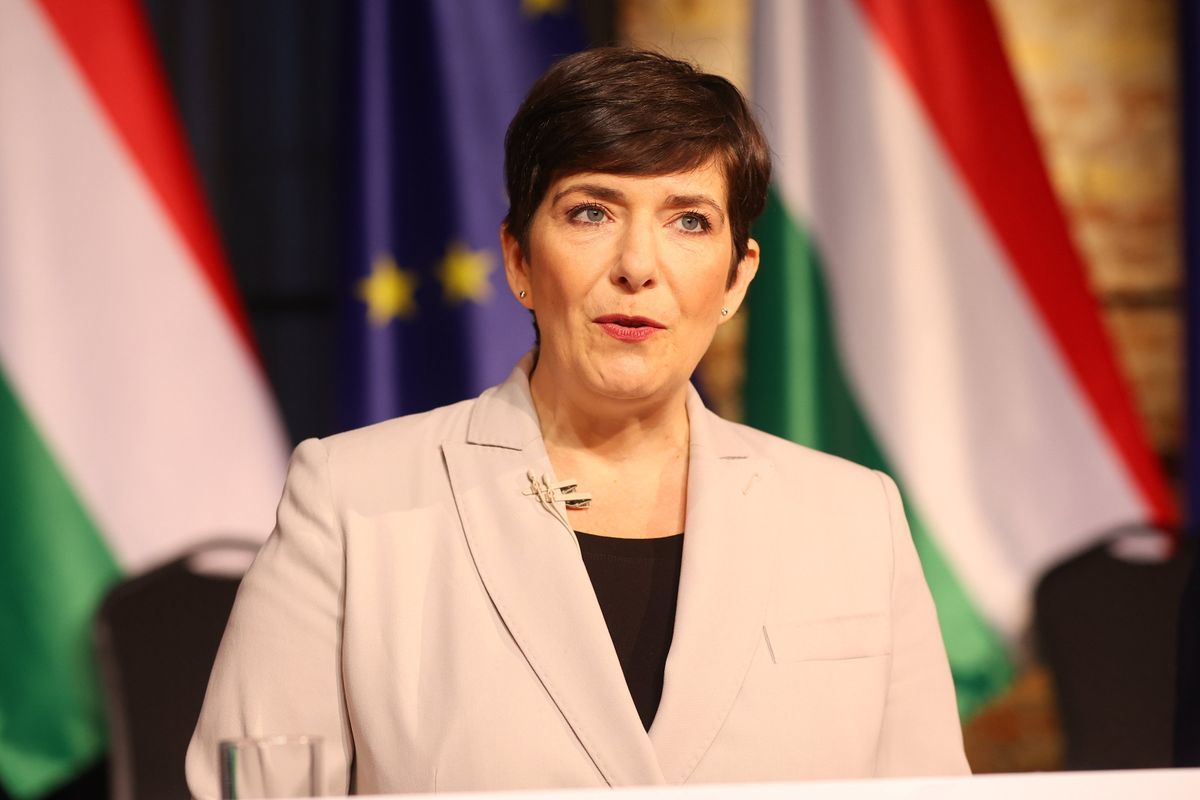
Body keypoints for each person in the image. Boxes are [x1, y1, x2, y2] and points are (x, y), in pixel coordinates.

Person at [186, 47, 969, 797]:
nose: (637, 266)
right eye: (591, 212)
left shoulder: (854, 518)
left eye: (689, 221)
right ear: (519, 260)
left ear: (738, 277)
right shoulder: (352, 500)